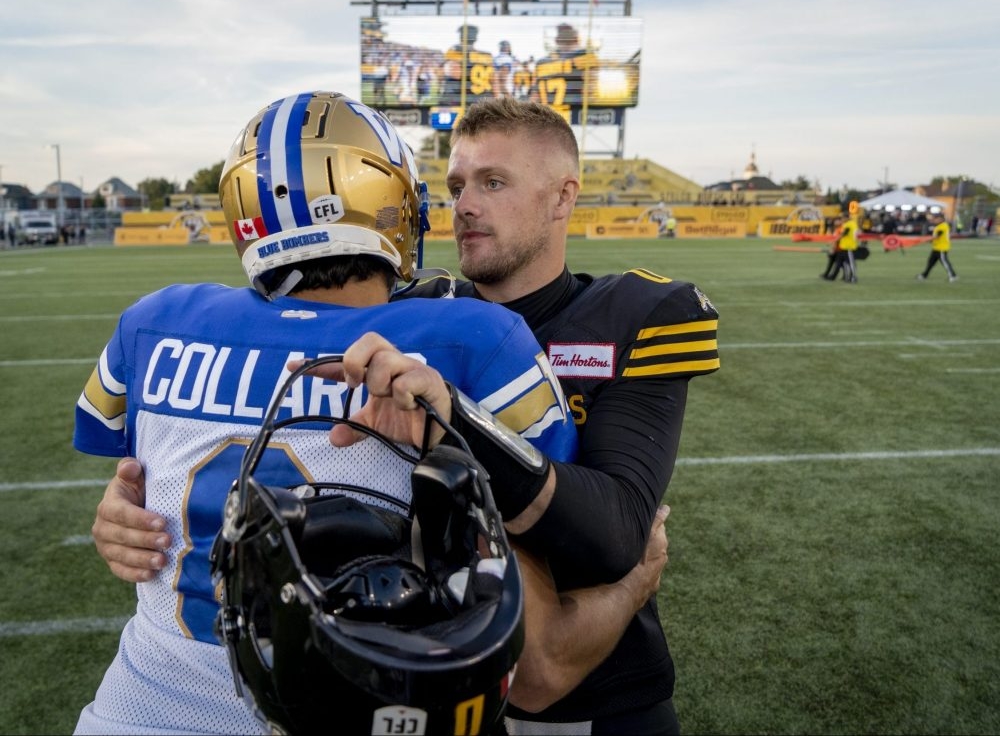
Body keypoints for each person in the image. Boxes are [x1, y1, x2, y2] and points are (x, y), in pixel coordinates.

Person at [91, 96, 714, 734]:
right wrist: (131, 510)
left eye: (493, 182)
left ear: (563, 196)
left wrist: (457, 424)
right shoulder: (433, 321)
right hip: (424, 675)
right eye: (455, 186)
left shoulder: (634, 311)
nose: (464, 205)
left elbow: (615, 527)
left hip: (597, 694)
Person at [441, 24, 495, 106]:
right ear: (475, 38)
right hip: (484, 99)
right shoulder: (487, 56)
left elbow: (455, 74)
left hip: (464, 100)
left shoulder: (456, 52)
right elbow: (494, 80)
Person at [916, 211, 958, 282]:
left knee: (945, 262)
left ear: (941, 219)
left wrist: (926, 240)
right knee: (930, 262)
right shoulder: (940, 226)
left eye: (935, 218)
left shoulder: (943, 226)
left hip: (941, 248)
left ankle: (953, 275)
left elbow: (937, 236)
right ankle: (924, 275)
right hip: (936, 248)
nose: (934, 220)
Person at [827, 212, 859, 282]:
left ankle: (853, 277)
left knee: (850, 263)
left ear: (846, 217)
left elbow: (844, 234)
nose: (842, 219)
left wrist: (834, 240)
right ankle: (839, 277)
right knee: (840, 263)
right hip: (843, 247)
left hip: (848, 247)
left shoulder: (850, 224)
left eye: (842, 218)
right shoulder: (849, 224)